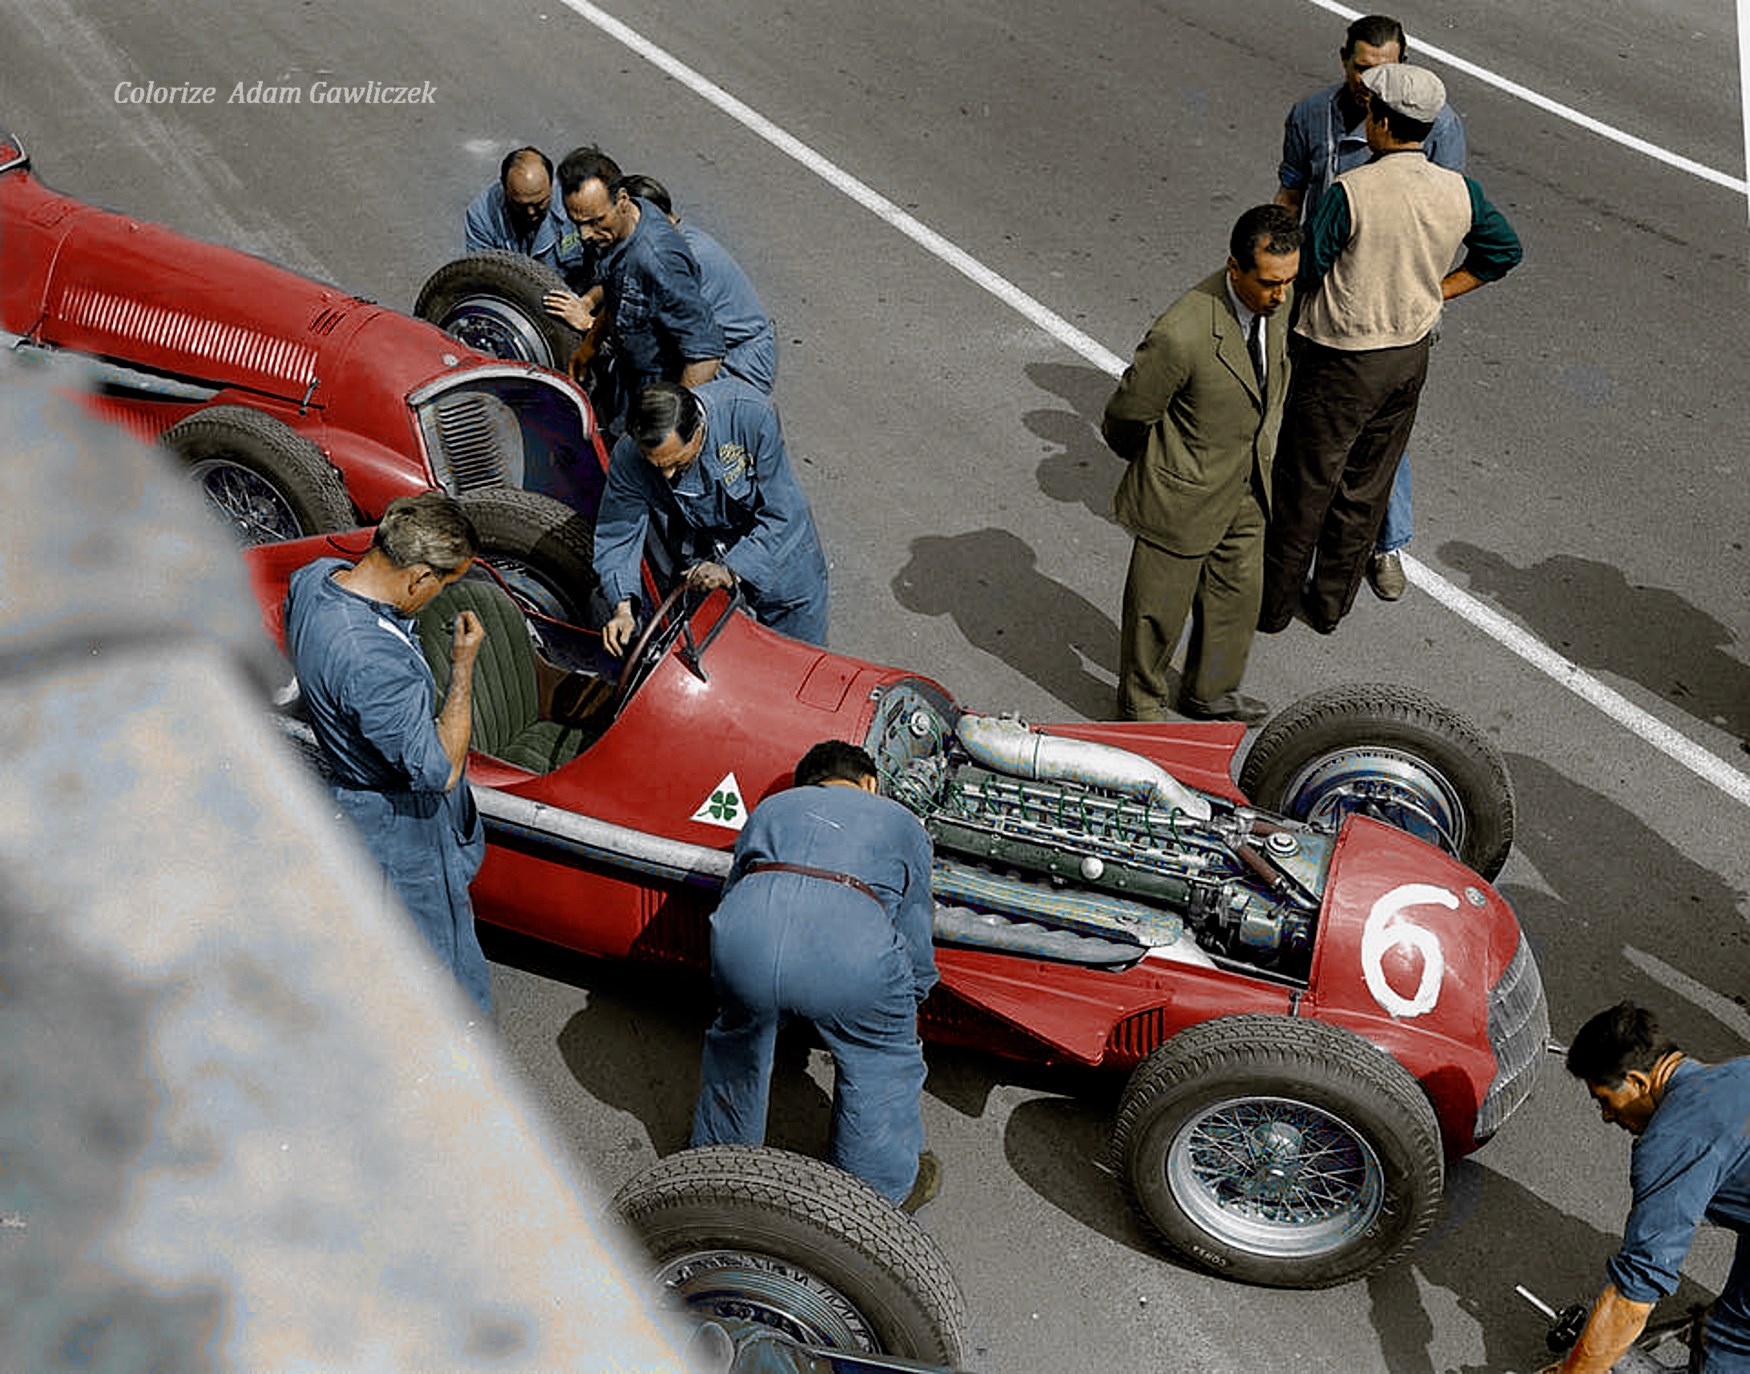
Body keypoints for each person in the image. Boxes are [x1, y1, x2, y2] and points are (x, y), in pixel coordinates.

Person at [1257, 63, 1521, 637]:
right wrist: (1439, 288)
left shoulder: (1354, 191)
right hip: (1408, 357)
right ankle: (1329, 605)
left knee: (1305, 483)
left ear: (1379, 120)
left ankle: (1272, 605)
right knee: (1367, 485)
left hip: (1339, 357)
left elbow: (1307, 273)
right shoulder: (1460, 190)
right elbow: (1502, 253)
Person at [690, 739, 940, 1210]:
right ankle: (875, 1199)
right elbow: (913, 924)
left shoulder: (771, 809)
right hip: (850, 954)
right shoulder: (902, 822)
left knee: (738, 1041)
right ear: (870, 783)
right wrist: (912, 998)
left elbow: (734, 888)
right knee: (883, 1059)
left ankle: (712, 1177)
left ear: (808, 783)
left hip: (744, 941)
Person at [1275, 14, 1468, 603]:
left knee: (1382, 444)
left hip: (1394, 311)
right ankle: (1294, 558)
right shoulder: (1312, 115)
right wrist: (1275, 266)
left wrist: (1435, 291)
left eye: (1385, 72)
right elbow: (1289, 192)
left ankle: (1385, 546)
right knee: (1307, 434)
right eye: (1361, 70)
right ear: (1343, 62)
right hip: (1322, 306)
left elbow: (1448, 210)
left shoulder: (1436, 125)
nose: (1371, 84)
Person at [282, 493, 494, 1013]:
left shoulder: (315, 579)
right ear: (419, 577)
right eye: (443, 584)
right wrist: (463, 665)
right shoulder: (373, 665)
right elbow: (440, 769)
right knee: (445, 970)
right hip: (400, 827)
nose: (440, 595)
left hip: (351, 799)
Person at [1101, 205, 1300, 725]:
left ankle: (1210, 693)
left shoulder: (1278, 300)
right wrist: (1165, 469)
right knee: (1157, 613)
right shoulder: (1183, 332)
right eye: (1269, 283)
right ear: (1234, 269)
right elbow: (1127, 415)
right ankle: (1141, 709)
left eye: (1288, 281)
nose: (1280, 296)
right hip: (1182, 495)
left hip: (1248, 485)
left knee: (1237, 597)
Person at [1540, 1002, 1750, 1373]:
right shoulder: (1733, 1073)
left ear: (1637, 1081)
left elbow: (1634, 1293)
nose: (1607, 1117)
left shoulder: (1671, 1139)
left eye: (1605, 1100)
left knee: (1728, 1342)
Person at [593, 378, 829, 652]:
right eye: (656, 466)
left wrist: (734, 568)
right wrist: (622, 606)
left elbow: (785, 511)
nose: (667, 475)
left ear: (698, 431)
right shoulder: (628, 457)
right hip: (706, 558)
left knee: (798, 662)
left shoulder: (746, 415)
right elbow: (617, 534)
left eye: (676, 463)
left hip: (779, 555)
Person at [542, 146, 724, 427]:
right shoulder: (616, 231)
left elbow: (706, 354)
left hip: (659, 384)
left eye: (595, 221)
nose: (585, 234)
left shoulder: (657, 260)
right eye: (577, 223)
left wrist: (670, 422)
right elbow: (622, 292)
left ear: (623, 200)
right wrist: (590, 346)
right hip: (627, 371)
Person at [617, 174, 777, 394]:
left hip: (739, 359)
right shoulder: (670, 242)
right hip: (722, 348)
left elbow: (700, 347)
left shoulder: (677, 258)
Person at [462, 145, 587, 276]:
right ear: (504, 188)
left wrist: (588, 297)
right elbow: (482, 275)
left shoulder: (575, 202)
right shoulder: (482, 217)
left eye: (539, 204)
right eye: (520, 205)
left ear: (551, 185)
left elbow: (604, 266)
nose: (531, 212)